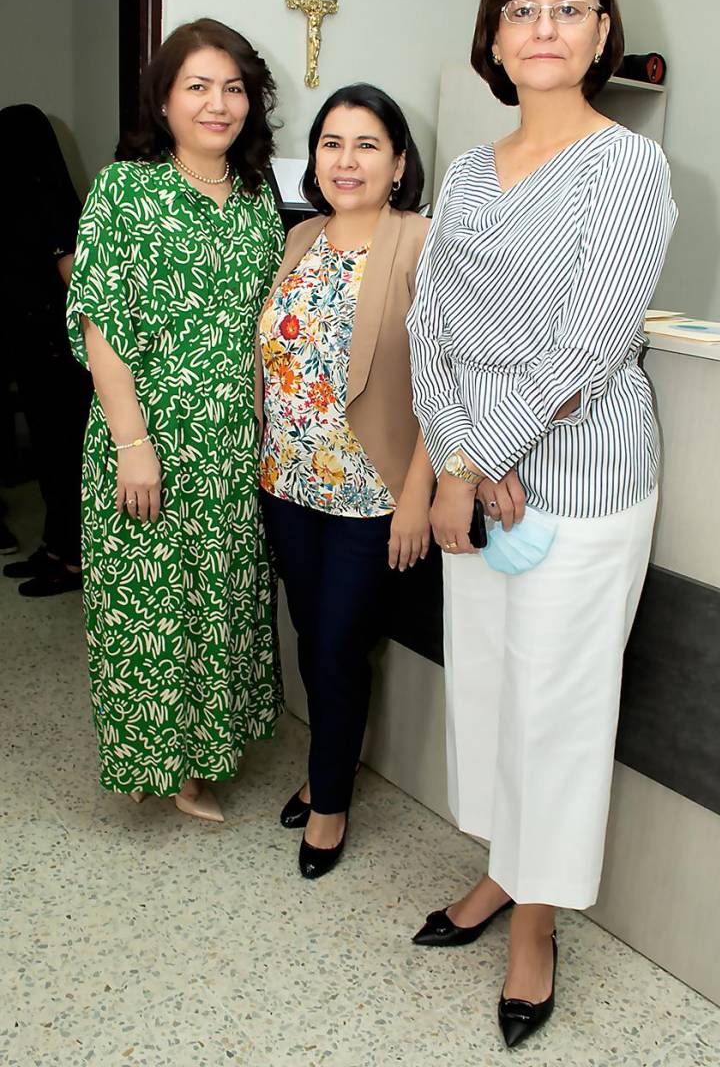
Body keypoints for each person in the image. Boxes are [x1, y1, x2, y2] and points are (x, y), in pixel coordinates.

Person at [406, 0, 677, 1047]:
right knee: (491, 692)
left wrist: (479, 461)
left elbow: (587, 348)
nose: (544, 30)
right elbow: (427, 328)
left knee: (557, 711)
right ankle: (501, 874)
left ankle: (534, 926)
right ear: (493, 35)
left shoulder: (627, 165)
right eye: (522, 10)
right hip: (481, 471)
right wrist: (462, 457)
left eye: (568, 10)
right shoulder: (468, 169)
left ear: (603, 32)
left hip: (582, 482)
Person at [66, 19, 284, 821]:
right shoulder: (125, 190)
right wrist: (133, 443)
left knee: (216, 600)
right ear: (163, 101)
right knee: (150, 605)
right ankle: (163, 765)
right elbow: (99, 322)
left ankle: (205, 754)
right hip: (147, 436)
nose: (217, 104)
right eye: (196, 86)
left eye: (232, 88)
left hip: (231, 445)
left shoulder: (260, 199)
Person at [258, 83, 433, 878]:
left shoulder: (424, 243)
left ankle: (329, 804)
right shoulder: (302, 238)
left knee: (335, 646)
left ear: (398, 161)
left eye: (367, 144)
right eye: (332, 142)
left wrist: (421, 494)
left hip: (373, 494)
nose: (346, 159)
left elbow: (451, 382)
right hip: (288, 483)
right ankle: (326, 766)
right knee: (312, 638)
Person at [1, 105, 92, 596]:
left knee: (62, 458)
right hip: (33, 350)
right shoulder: (19, 199)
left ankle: (72, 560)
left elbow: (76, 282)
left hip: (60, 354)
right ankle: (55, 547)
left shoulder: (51, 199)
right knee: (48, 456)